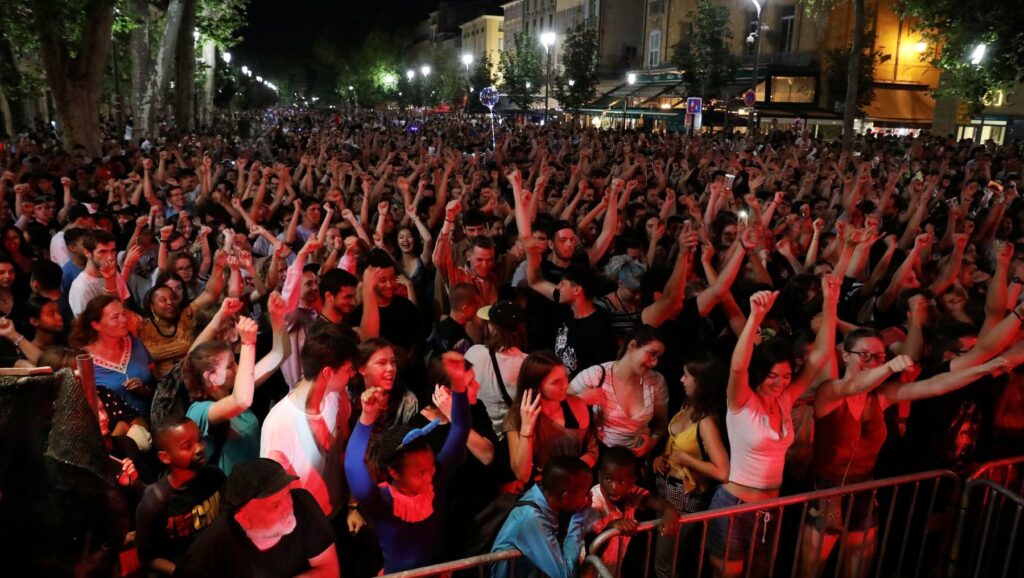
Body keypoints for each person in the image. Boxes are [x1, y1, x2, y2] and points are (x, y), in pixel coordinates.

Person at [709, 278, 839, 578]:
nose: (781, 383)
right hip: (734, 506)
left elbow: (820, 356)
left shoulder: (785, 399)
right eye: (772, 376)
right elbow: (737, 367)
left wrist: (830, 303)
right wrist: (755, 318)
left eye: (786, 376)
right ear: (760, 373)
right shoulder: (742, 401)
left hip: (771, 509)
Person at [343, 351, 471, 573]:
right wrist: (367, 418)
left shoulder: (436, 478)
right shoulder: (381, 501)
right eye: (420, 473)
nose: (429, 476)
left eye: (430, 466)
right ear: (393, 472)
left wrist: (459, 386)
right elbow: (353, 466)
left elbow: (460, 429)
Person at [173, 458, 339, 578]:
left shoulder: (302, 505)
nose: (288, 506)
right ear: (244, 519)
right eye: (275, 505)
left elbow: (329, 571)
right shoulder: (212, 547)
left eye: (287, 494)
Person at [260, 324, 360, 517]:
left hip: (338, 513)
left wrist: (351, 504)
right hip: (306, 530)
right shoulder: (279, 423)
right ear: (328, 373)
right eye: (349, 368)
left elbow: (344, 451)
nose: (353, 373)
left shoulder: (337, 396)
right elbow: (272, 493)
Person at [652, 352, 731, 578]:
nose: (681, 380)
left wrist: (686, 460)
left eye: (687, 376)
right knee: (661, 559)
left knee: (665, 565)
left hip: (684, 498)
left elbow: (723, 472)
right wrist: (662, 459)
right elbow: (675, 447)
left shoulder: (706, 421)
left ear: (702, 381)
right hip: (666, 489)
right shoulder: (687, 406)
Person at [135, 417, 225, 576]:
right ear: (165, 457)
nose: (199, 448)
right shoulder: (156, 502)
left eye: (199, 440)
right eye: (187, 446)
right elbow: (147, 556)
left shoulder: (214, 476)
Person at [570, 325, 670, 458]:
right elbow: (559, 404)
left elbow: (661, 424)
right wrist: (582, 400)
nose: (654, 363)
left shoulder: (656, 381)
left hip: (636, 460)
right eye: (652, 354)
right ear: (633, 346)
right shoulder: (597, 374)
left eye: (658, 357)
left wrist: (650, 444)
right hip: (601, 456)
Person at [490, 456, 595, 578]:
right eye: (585, 493)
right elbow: (565, 574)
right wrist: (579, 519)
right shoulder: (532, 518)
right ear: (566, 497)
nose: (587, 499)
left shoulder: (543, 496)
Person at [504, 351, 597, 485]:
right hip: (542, 491)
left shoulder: (577, 405)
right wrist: (527, 428)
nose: (566, 385)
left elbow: (592, 451)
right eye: (556, 382)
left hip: (574, 480)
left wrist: (566, 474)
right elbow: (522, 474)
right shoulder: (515, 417)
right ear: (537, 386)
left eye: (566, 378)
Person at [182, 316, 260, 475]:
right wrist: (247, 343)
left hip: (258, 481)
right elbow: (241, 400)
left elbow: (279, 354)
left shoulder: (235, 393)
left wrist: (277, 318)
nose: (238, 369)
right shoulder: (199, 410)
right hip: (234, 492)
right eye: (230, 365)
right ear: (210, 376)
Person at [588, 447, 680, 576]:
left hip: (612, 568)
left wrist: (670, 511)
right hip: (589, 570)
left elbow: (658, 503)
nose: (614, 487)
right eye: (608, 479)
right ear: (599, 476)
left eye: (622, 481)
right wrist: (612, 527)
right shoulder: (593, 503)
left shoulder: (631, 493)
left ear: (633, 481)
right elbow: (591, 548)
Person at [70, 295, 155, 415]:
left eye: (123, 314)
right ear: (96, 325)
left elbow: (155, 380)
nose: (124, 320)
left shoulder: (136, 344)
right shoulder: (84, 360)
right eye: (115, 317)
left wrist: (144, 390)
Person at [465, 300, 529, 438]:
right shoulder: (526, 364)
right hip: (509, 438)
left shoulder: (473, 353)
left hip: (479, 434)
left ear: (493, 327)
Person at [68, 230, 131, 317]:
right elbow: (86, 324)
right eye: (102, 252)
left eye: (112, 251)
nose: (110, 257)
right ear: (87, 253)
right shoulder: (80, 287)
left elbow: (123, 306)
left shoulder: (114, 273)